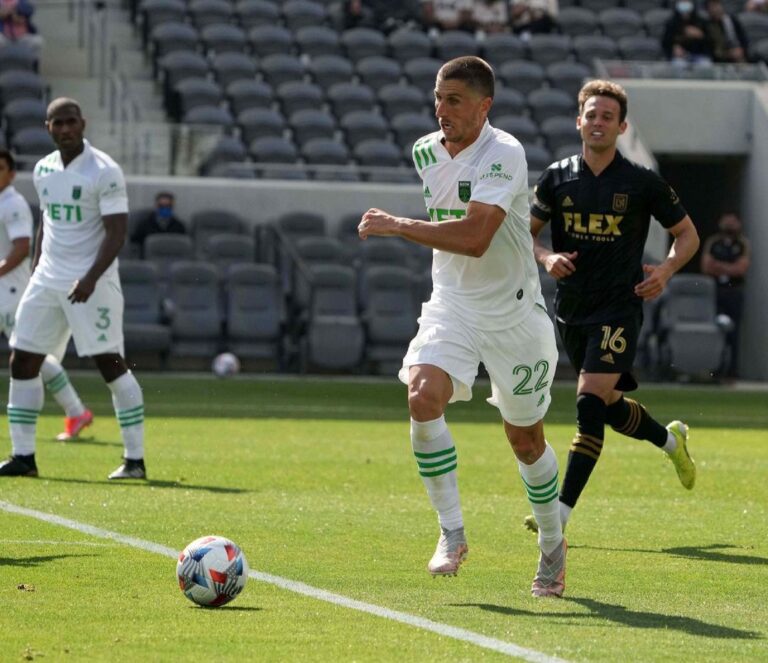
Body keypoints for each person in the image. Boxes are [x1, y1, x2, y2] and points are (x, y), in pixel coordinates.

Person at [358, 56, 566, 597]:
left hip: (514, 314)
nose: (441, 109)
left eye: (454, 100)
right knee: (422, 397)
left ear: (484, 105)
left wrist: (399, 226)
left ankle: (551, 543)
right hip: (453, 304)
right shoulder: (426, 150)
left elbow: (476, 238)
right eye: (437, 98)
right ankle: (451, 532)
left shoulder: (506, 154)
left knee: (525, 440)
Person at [527, 79, 701, 535]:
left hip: (619, 308)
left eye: (608, 116)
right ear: (578, 120)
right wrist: (547, 257)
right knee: (605, 404)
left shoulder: (641, 182)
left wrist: (663, 271)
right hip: (571, 308)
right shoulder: (556, 178)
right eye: (591, 114)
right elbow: (524, 237)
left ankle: (557, 518)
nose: (598, 122)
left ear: (622, 126)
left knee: (587, 402)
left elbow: (688, 236)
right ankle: (670, 441)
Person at [0, 97, 147, 480]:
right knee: (23, 360)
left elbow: (117, 233)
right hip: (47, 278)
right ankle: (24, 457)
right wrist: (35, 272)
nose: (65, 129)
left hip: (91, 281)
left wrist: (91, 277)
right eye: (57, 123)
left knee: (110, 365)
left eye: (70, 122)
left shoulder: (104, 170)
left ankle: (135, 460)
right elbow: (46, 222)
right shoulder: (44, 169)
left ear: (83, 124)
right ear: (47, 127)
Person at [0, 149, 94, 442]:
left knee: (31, 355)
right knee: (31, 355)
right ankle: (76, 411)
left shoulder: (12, 203)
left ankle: (76, 410)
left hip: (11, 290)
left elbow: (21, 247)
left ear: (12, 174)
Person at [700, 211, 750, 377]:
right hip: (715, 291)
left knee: (734, 332)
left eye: (732, 220)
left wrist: (719, 266)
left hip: (734, 292)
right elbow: (706, 266)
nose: (729, 224)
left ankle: (731, 371)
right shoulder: (713, 242)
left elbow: (741, 268)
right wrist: (729, 267)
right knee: (714, 328)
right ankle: (715, 368)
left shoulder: (742, 244)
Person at [130, 191, 187, 257]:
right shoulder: (144, 225)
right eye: (161, 206)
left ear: (173, 207)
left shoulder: (180, 226)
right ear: (156, 206)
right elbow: (134, 246)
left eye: (168, 206)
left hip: (173, 260)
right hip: (148, 261)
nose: (165, 209)